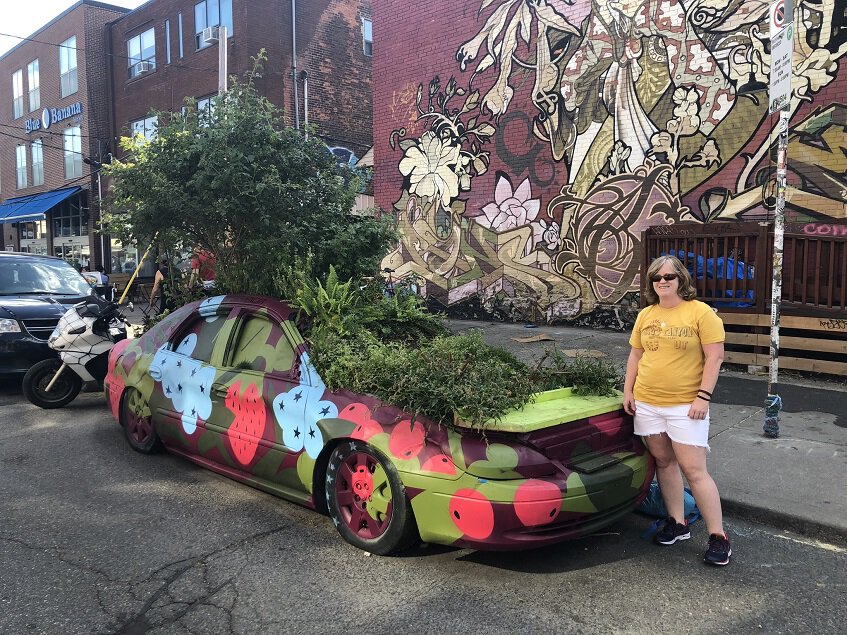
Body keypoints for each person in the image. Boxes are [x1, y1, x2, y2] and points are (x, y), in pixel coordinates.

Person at [623, 255, 731, 566]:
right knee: (663, 462)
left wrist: (703, 397)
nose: (663, 281)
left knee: (694, 470)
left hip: (686, 405)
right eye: (657, 277)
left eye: (669, 276)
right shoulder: (646, 315)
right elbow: (635, 356)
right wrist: (628, 391)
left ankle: (718, 536)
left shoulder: (701, 313)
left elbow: (715, 358)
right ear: (651, 283)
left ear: (680, 279)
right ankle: (677, 522)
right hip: (647, 403)